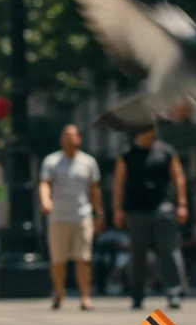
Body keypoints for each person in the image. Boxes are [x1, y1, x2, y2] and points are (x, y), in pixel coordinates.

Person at [114, 124, 187, 310]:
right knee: (137, 255)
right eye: (141, 131)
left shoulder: (166, 151)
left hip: (162, 207)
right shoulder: (127, 154)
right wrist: (117, 209)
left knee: (168, 251)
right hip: (136, 210)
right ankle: (137, 295)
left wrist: (182, 204)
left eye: (148, 130)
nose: (145, 134)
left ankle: (174, 292)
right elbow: (119, 182)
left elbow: (178, 177)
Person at [39, 124, 104, 310]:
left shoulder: (89, 162)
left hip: (82, 216)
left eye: (74, 135)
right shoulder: (51, 161)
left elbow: (94, 190)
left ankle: (85, 297)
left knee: (83, 258)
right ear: (61, 139)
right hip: (58, 217)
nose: (70, 139)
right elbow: (44, 184)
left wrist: (99, 214)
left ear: (80, 139)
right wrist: (45, 200)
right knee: (58, 260)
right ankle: (59, 292)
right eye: (66, 135)